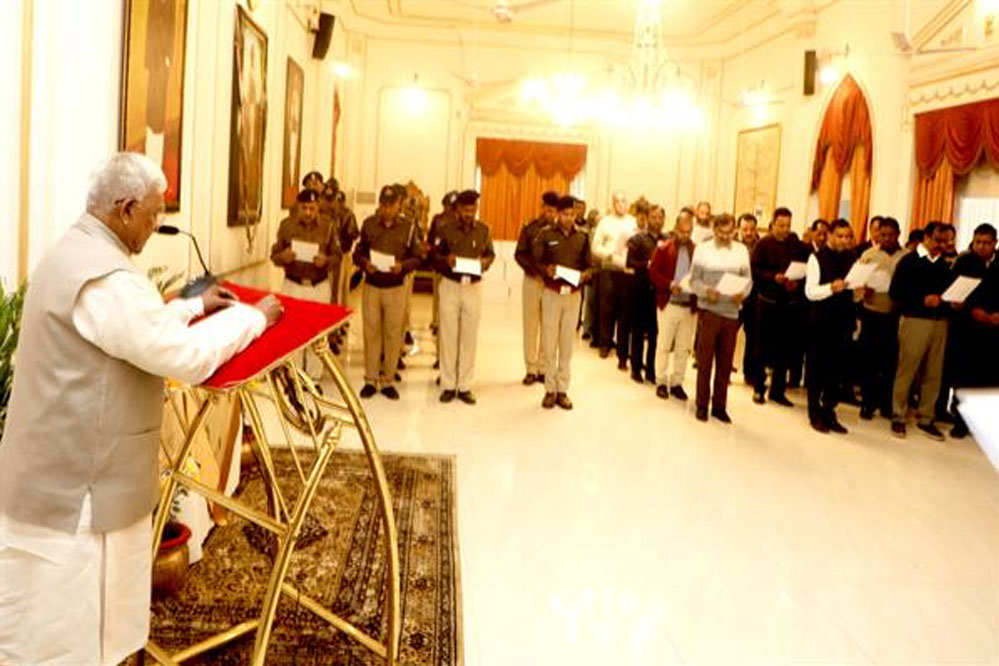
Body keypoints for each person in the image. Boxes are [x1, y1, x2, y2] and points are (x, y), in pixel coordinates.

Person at [0, 153, 282, 666]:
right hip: (78, 491)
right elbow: (186, 357)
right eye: (153, 214)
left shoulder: (76, 251)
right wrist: (253, 319)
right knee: (65, 635)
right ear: (126, 208)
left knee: (59, 622)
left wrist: (191, 306)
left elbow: (133, 332)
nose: (157, 225)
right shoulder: (107, 280)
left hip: (52, 471)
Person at [888, 222, 957, 440]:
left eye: (945, 242)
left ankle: (926, 417)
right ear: (926, 238)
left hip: (940, 323)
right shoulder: (909, 261)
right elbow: (895, 292)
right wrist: (921, 300)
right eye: (937, 240)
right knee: (907, 369)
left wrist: (952, 302)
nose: (941, 245)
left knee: (933, 372)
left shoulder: (945, 265)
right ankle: (898, 414)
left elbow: (948, 293)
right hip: (915, 320)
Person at [353, 185, 423, 400]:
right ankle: (370, 379)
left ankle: (388, 380)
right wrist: (365, 263)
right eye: (383, 204)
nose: (387, 209)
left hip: (395, 287)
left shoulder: (408, 228)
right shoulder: (369, 224)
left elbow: (417, 257)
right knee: (371, 332)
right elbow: (358, 253)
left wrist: (403, 266)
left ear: (398, 205)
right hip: (372, 286)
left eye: (391, 205)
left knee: (393, 334)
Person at [432, 190, 495, 405]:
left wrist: (484, 263)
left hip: (473, 288)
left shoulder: (484, 230)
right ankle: (448, 385)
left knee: (469, 337)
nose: (469, 214)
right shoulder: (446, 229)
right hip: (450, 285)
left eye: (473, 209)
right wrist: (445, 260)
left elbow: (490, 255)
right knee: (448, 336)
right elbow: (434, 256)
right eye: (466, 210)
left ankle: (465, 385)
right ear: (458, 209)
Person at [270, 188, 339, 379]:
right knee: (292, 333)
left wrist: (326, 261)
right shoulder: (287, 226)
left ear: (318, 207)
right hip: (293, 285)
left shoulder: (328, 227)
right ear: (298, 207)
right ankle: (296, 376)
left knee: (317, 333)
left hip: (319, 286)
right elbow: (274, 255)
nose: (308, 212)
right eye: (304, 208)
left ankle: (314, 377)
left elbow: (338, 256)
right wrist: (283, 257)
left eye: (312, 208)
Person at [690, 213, 752, 423]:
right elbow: (694, 280)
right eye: (721, 232)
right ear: (714, 230)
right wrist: (706, 291)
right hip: (709, 312)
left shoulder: (741, 250)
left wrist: (742, 293)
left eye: (729, 232)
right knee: (705, 362)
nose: (726, 237)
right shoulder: (703, 249)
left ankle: (719, 406)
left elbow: (748, 281)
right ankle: (701, 405)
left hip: (732, 313)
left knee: (725, 364)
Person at [533, 195, 592, 410]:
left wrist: (585, 275)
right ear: (558, 214)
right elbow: (536, 261)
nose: (569, 218)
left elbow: (590, 266)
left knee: (567, 345)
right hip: (552, 294)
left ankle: (562, 390)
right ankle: (549, 389)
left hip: (573, 296)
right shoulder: (546, 234)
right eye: (565, 214)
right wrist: (545, 270)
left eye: (572, 214)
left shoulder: (583, 237)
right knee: (549, 343)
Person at [942, 223, 997, 436]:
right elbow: (952, 292)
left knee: (989, 378)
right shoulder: (964, 262)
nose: (982, 246)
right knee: (963, 375)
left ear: (995, 243)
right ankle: (960, 422)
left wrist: (994, 316)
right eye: (978, 242)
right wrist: (969, 310)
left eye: (987, 243)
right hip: (967, 328)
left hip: (994, 330)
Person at [804, 219, 858, 433]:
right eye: (840, 236)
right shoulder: (816, 258)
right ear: (829, 236)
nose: (845, 240)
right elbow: (810, 292)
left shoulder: (852, 257)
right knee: (817, 369)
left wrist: (859, 291)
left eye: (848, 236)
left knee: (836, 371)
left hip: (843, 321)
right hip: (821, 322)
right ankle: (814, 412)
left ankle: (829, 411)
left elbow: (851, 288)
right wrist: (830, 288)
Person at [749, 207, 806, 406]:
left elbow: (802, 268)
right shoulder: (763, 244)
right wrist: (773, 277)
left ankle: (778, 391)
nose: (785, 229)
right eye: (781, 225)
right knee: (761, 348)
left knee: (784, 348)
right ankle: (758, 388)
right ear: (772, 224)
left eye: (788, 225)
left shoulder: (795, 245)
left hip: (788, 304)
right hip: (767, 303)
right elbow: (754, 271)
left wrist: (795, 282)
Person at [856, 217, 905, 420]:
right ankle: (867, 402)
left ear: (898, 234)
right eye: (883, 235)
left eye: (890, 235)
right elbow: (856, 282)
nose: (886, 238)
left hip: (895, 316)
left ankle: (886, 403)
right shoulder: (869, 255)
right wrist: (863, 289)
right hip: (871, 312)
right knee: (870, 360)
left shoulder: (906, 257)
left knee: (890, 362)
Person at [650, 209, 697, 400]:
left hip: (688, 305)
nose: (685, 235)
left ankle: (677, 382)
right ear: (675, 228)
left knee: (683, 348)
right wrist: (669, 284)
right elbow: (653, 272)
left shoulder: (696, 250)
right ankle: (661, 381)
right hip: (669, 303)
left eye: (689, 231)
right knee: (664, 344)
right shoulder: (664, 248)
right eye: (682, 231)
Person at [514, 191, 558, 385]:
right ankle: (530, 368)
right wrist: (534, 271)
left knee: (549, 326)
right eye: (547, 209)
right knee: (531, 325)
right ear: (542, 208)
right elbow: (519, 254)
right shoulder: (530, 228)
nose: (550, 214)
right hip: (532, 280)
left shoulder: (559, 231)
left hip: (551, 284)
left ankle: (542, 368)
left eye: (553, 211)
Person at [591, 191, 637, 360]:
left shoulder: (632, 222)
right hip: (609, 269)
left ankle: (622, 347)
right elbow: (595, 247)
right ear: (613, 203)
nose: (621, 204)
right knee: (607, 308)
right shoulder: (605, 222)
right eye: (618, 201)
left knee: (625, 310)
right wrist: (609, 254)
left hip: (626, 271)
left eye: (624, 201)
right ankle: (605, 343)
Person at [625, 203, 663, 383]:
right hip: (640, 289)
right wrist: (646, 265)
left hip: (658, 292)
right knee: (638, 331)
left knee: (655, 333)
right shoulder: (638, 239)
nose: (657, 221)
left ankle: (651, 369)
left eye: (660, 217)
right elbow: (629, 262)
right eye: (654, 217)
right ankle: (635, 368)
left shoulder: (667, 239)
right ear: (647, 219)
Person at [616, 199, 650, 372]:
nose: (642, 219)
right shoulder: (626, 231)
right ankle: (622, 356)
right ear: (635, 214)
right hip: (628, 277)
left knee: (640, 322)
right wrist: (627, 264)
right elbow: (616, 254)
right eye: (640, 215)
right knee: (625, 319)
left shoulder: (649, 234)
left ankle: (636, 358)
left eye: (645, 215)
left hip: (643, 280)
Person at [428, 191, 459, 339]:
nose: (449, 209)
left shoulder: (460, 223)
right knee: (438, 296)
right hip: (440, 265)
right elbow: (431, 240)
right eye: (447, 205)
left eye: (452, 206)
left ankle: (443, 322)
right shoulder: (438, 219)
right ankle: (436, 321)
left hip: (456, 268)